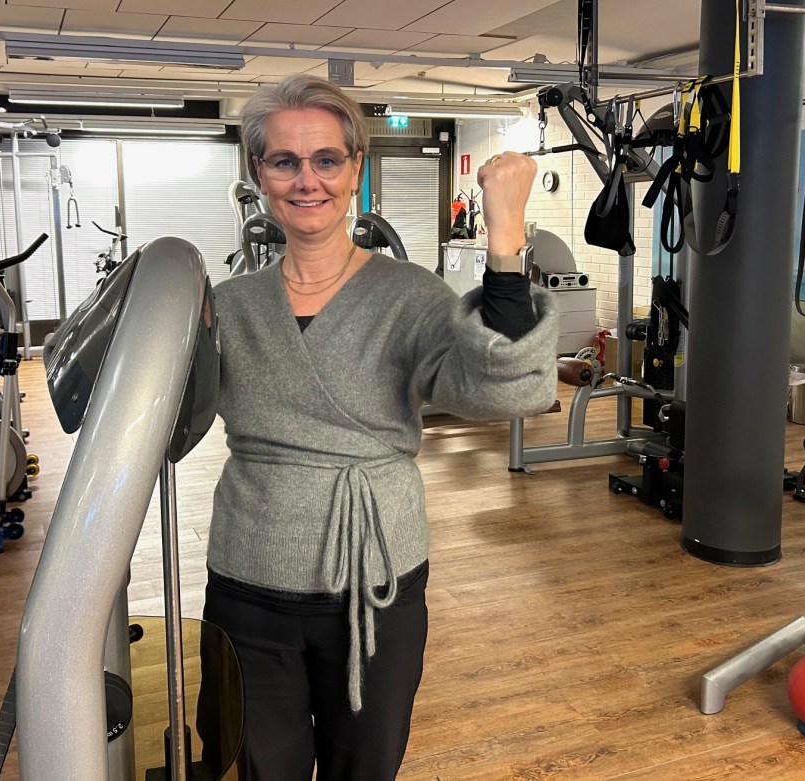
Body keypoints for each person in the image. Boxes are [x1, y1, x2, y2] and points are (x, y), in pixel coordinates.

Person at [202, 74, 558, 781]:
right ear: (259, 173)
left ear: (355, 168)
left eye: (326, 160)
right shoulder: (227, 305)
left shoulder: (410, 295)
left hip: (377, 578)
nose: (308, 180)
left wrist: (506, 239)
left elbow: (506, 388)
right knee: (254, 768)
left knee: (364, 766)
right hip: (249, 576)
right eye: (285, 161)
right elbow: (161, 415)